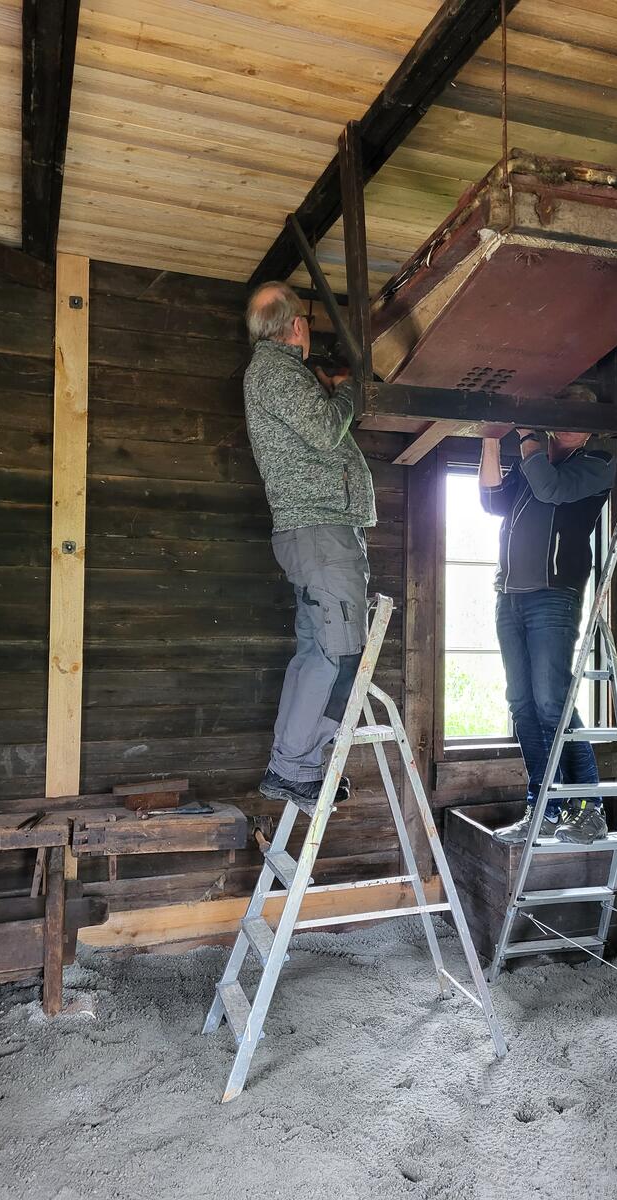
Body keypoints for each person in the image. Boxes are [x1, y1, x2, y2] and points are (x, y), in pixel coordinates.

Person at [244, 281, 376, 814]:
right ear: (297, 326)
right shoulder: (277, 372)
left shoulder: (274, 374)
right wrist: (350, 390)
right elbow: (324, 431)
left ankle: (294, 765)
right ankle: (296, 768)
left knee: (317, 653)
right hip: (321, 532)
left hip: (314, 534)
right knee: (338, 653)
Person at [478, 405, 616, 845]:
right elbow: (492, 500)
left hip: (554, 595)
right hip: (510, 596)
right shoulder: (534, 462)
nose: (571, 423)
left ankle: (589, 809)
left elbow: (551, 489)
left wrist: (526, 436)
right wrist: (489, 439)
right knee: (522, 704)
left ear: (591, 431)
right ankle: (545, 809)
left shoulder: (597, 463)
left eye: (581, 419)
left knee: (551, 700)